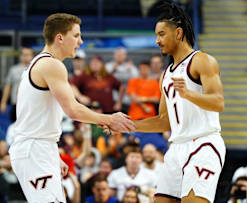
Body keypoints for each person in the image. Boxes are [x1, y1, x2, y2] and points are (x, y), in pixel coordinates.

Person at [8, 13, 135, 203]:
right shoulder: (51, 65)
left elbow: (38, 116)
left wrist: (53, 155)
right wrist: (109, 119)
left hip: (40, 148)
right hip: (34, 149)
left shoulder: (42, 63)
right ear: (60, 37)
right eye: (76, 36)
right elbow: (73, 110)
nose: (81, 41)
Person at [131, 1, 226, 202]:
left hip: (204, 144)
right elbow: (164, 121)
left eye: (161, 34)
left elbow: (218, 102)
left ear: (179, 33)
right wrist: (128, 125)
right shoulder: (165, 75)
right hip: (176, 148)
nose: (157, 40)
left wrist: (189, 94)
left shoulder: (202, 61)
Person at [0, 47, 34, 118]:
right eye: (24, 55)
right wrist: (3, 102)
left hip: (32, 103)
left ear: (32, 56)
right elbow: (8, 86)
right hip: (16, 103)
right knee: (15, 125)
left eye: (28, 54)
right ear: (21, 56)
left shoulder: (37, 69)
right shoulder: (13, 70)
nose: (26, 57)